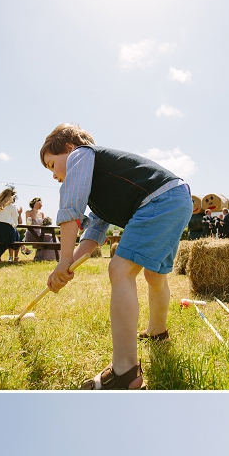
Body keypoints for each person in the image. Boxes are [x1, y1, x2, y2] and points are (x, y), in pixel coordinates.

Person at [40, 122, 194, 390]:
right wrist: (69, 267)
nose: (53, 175)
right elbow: (93, 235)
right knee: (154, 273)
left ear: (69, 148)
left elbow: (70, 208)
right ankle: (157, 332)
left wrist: (63, 260)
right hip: (177, 198)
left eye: (52, 165)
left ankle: (124, 372)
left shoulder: (81, 155)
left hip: (159, 199)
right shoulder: (100, 192)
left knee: (120, 270)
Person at [23, 197, 56, 262]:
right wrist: (35, 209)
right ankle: (44, 256)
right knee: (50, 237)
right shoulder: (28, 212)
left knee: (52, 237)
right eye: (39, 203)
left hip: (40, 234)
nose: (41, 205)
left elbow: (42, 225)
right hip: (31, 234)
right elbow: (32, 222)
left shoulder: (42, 213)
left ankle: (48, 256)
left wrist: (46, 222)